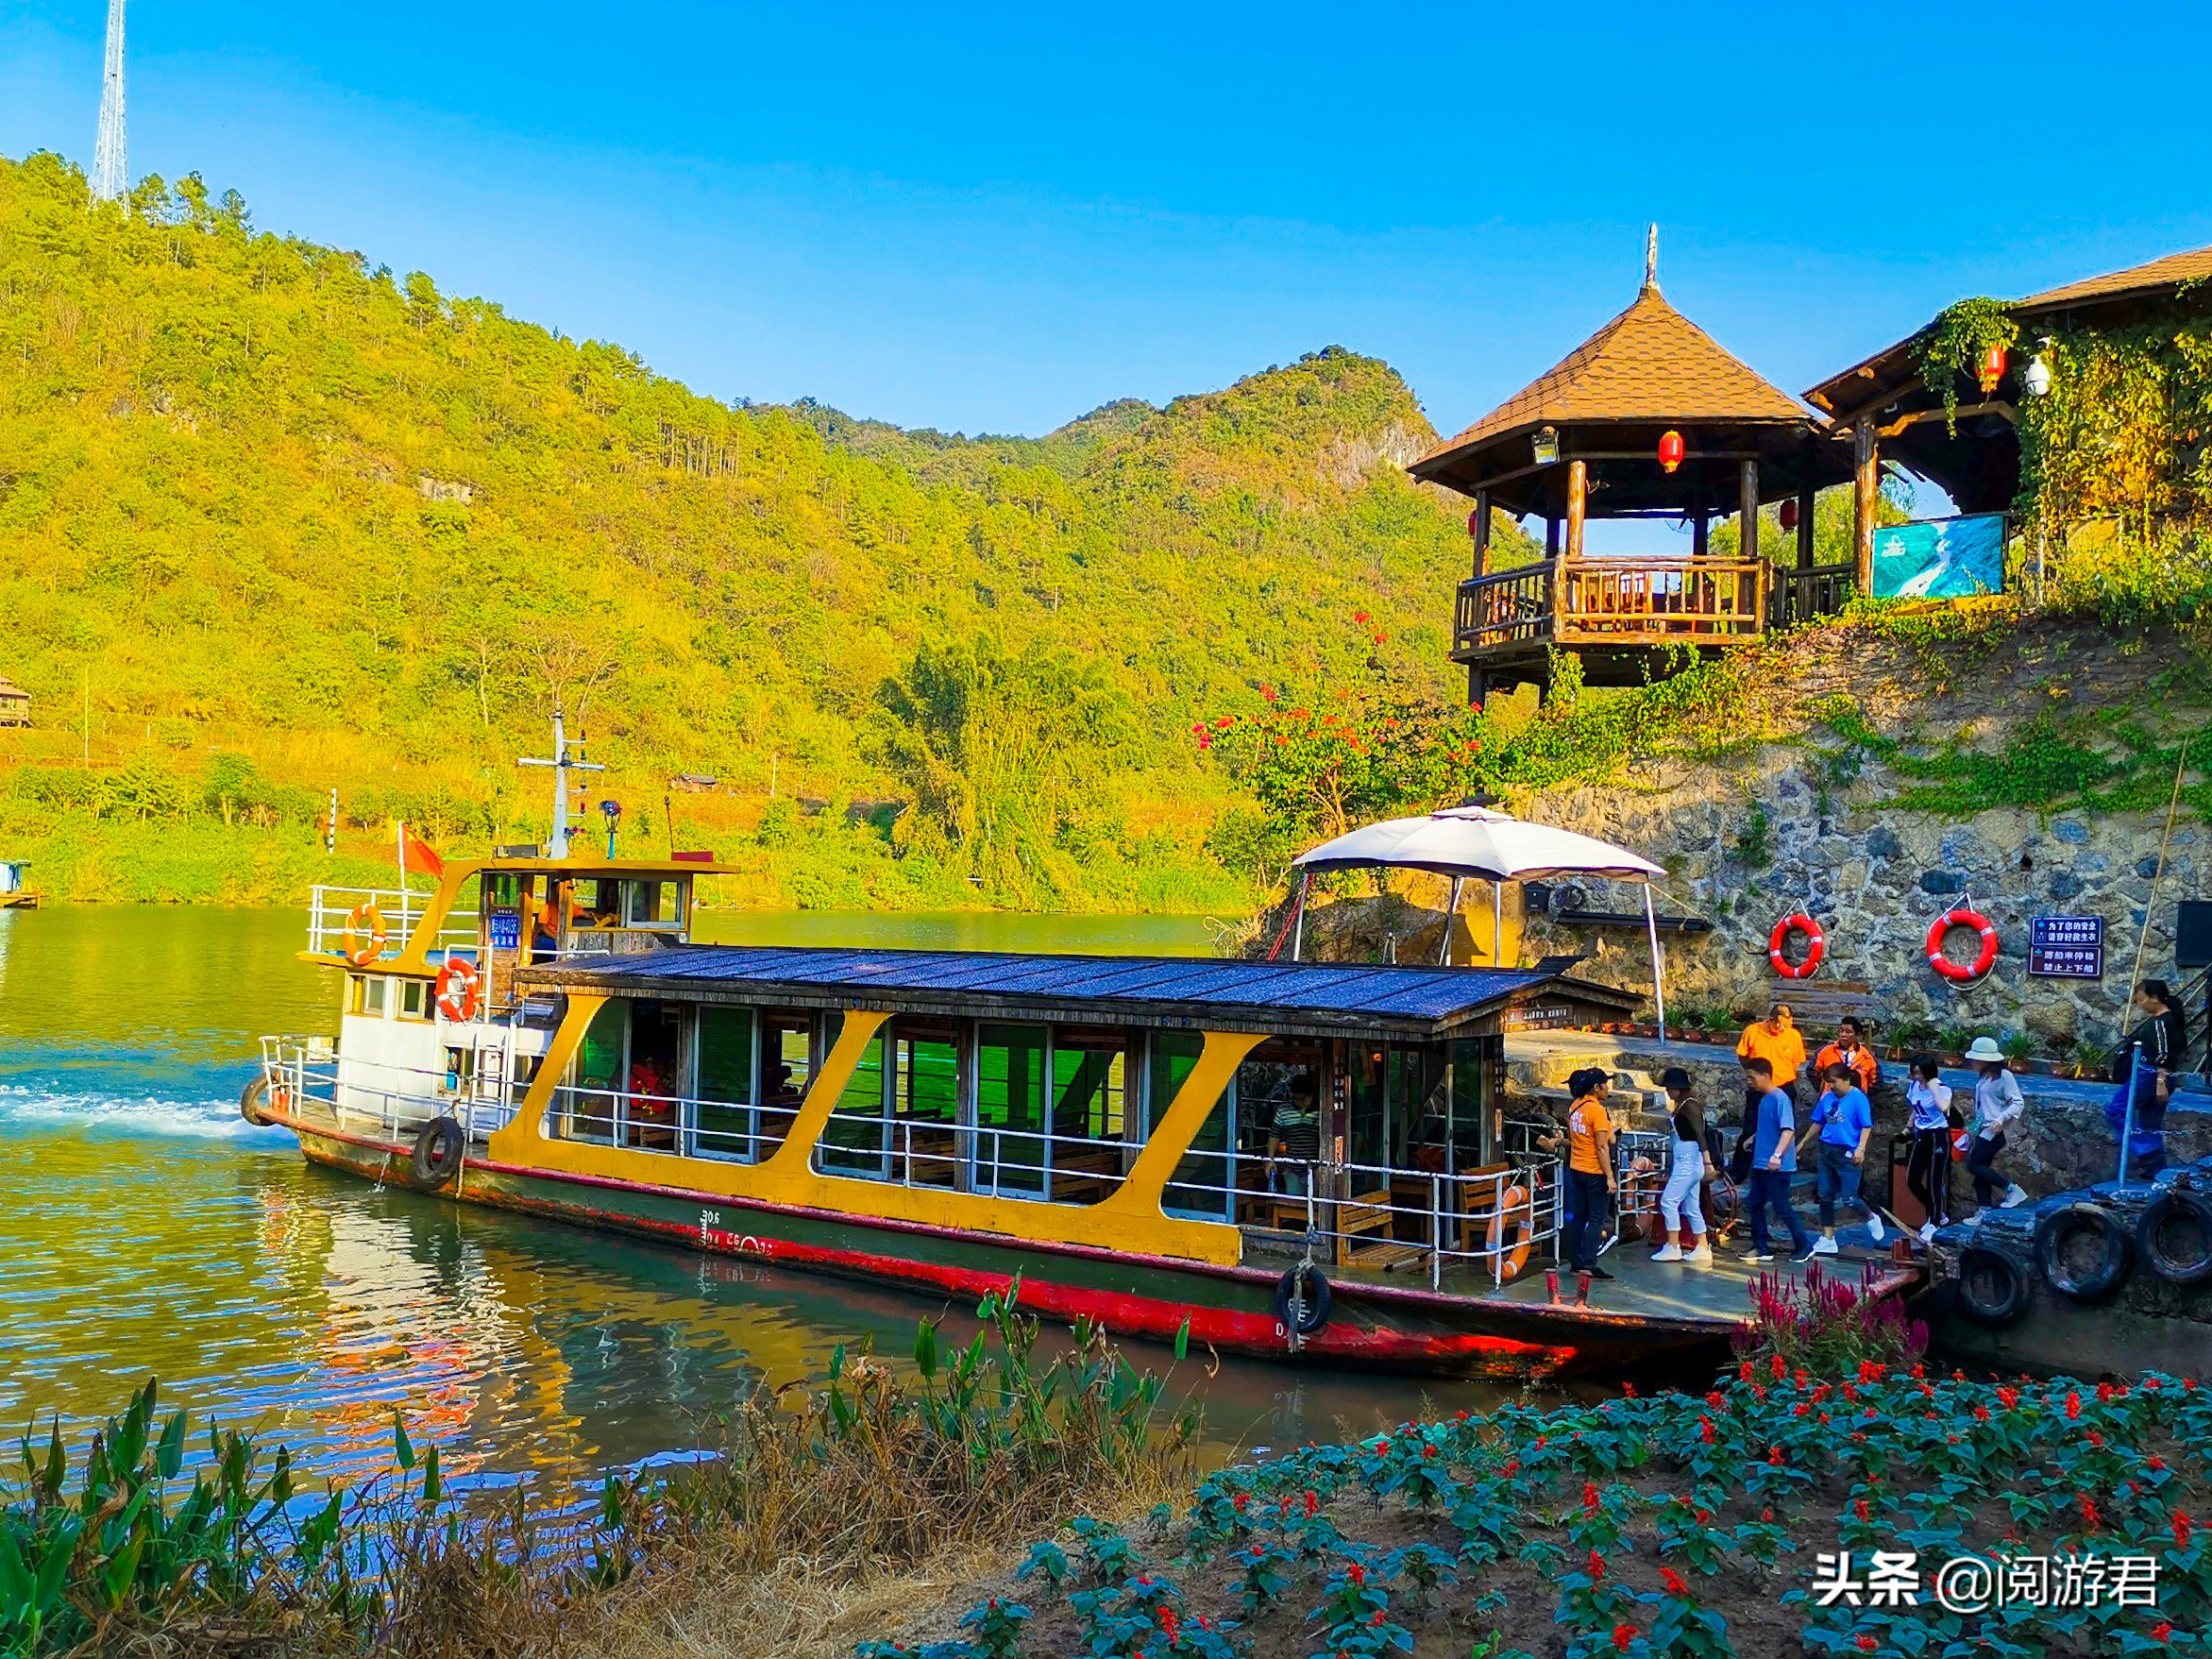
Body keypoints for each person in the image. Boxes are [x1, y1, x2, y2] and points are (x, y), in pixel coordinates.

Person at [2105, 980, 2188, 1181]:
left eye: (2142, 999)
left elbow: (2165, 1054)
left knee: (2115, 1110)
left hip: (2150, 1076)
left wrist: (2161, 1082)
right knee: (2150, 1122)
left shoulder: (2161, 1022)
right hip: (2155, 1076)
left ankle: (2148, 1151)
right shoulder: (2166, 1020)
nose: (2139, 1004)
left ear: (2155, 999)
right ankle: (2156, 1170)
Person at [1798, 1059, 1884, 1254]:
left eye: (1835, 1082)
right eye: (1829, 1083)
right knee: (1825, 1196)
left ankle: (1871, 1217)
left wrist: (1860, 1148)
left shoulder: (1858, 1098)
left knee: (1848, 1198)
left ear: (1846, 1080)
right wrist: (1802, 1143)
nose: (1832, 1086)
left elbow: (1866, 1125)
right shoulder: (1828, 1097)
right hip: (1827, 1150)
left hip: (1847, 1152)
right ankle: (1828, 1237)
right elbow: (1818, 1121)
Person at [1742, 1056, 1817, 1264]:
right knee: (1754, 1203)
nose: (1749, 1081)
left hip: (1776, 1166)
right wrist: (1754, 1138)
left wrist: (1777, 1156)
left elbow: (1788, 1130)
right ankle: (1761, 1246)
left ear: (1765, 1075)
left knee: (1781, 1206)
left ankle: (1804, 1245)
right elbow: (1770, 1127)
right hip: (1761, 1162)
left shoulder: (1780, 1098)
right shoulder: (1765, 1099)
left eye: (1752, 1077)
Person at [1734, 1004, 1807, 1180]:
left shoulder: (1793, 1035)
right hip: (1759, 1088)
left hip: (1783, 1087)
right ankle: (1740, 1171)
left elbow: (1796, 1062)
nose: (1783, 1028)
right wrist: (1755, 1076)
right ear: (1771, 1020)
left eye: (1787, 1025)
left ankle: (1783, 1167)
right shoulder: (1753, 1031)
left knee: (1784, 1128)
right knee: (1750, 1127)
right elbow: (1743, 1055)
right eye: (1780, 1024)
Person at [1652, 1066, 1713, 1268]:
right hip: (1688, 1158)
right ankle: (1702, 1247)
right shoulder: (1686, 1105)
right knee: (1691, 1205)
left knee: (1668, 1202)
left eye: (1670, 1088)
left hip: (1689, 1159)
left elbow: (1700, 1134)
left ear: (1678, 1088)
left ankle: (1673, 1245)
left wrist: (1708, 1162)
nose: (1668, 1092)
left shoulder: (1688, 1107)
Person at [1563, 1068, 1618, 1280]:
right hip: (1594, 1171)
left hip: (1576, 1168)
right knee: (1597, 1219)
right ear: (1596, 1088)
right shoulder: (1596, 1111)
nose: (1608, 1089)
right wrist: (1610, 1177)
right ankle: (1589, 1263)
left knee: (1579, 1216)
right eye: (1605, 1085)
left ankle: (1576, 1261)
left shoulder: (1575, 1106)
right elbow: (1604, 1145)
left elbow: (1576, 1139)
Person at [1962, 1037, 2028, 1213]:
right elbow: (1984, 1106)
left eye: (1975, 1059)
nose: (1972, 1062)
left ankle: (2012, 1189)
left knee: (1974, 1164)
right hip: (1985, 1127)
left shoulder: (2004, 1076)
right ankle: (1984, 1211)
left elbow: (2017, 1102)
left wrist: (2001, 1119)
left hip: (1995, 1130)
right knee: (1979, 1175)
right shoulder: (1985, 1077)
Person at [1901, 1053, 1955, 1242]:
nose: (1916, 1077)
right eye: (1914, 1072)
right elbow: (1916, 1109)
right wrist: (1908, 1128)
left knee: (1934, 1181)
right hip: (1921, 1135)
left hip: (1938, 1136)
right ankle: (1935, 1211)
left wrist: (1934, 1089)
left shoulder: (1942, 1089)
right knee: (1912, 1180)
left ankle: (1935, 1221)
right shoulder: (1914, 1086)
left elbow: (1943, 1108)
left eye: (1919, 1073)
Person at [1270, 1082, 1321, 1197]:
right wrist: (1270, 1159)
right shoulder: (1283, 1111)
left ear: (1311, 1095)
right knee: (1293, 1204)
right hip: (1292, 1168)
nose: (1298, 1102)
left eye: (1302, 1099)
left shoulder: (1321, 1111)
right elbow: (1274, 1136)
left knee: (1316, 1205)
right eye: (1295, 1099)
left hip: (1315, 1167)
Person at [1813, 1017, 1881, 1100]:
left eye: (1848, 1032)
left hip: (1855, 1103)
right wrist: (1824, 1089)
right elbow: (1813, 1072)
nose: (1843, 1035)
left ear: (1858, 1035)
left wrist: (1863, 1096)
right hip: (1829, 1101)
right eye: (1841, 1031)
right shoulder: (1825, 1052)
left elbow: (1875, 1081)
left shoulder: (1867, 1057)